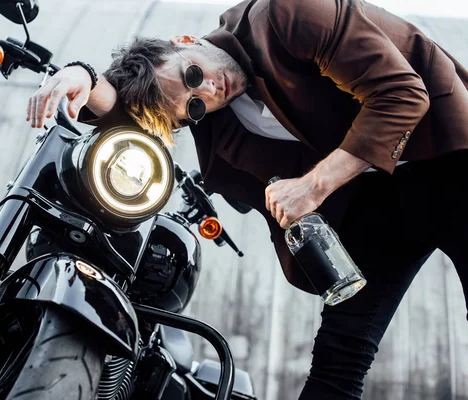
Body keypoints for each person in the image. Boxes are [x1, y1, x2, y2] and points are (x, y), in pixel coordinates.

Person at [26, 0, 468, 398]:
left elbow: (403, 95)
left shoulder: (287, 14)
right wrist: (81, 76)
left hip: (449, 157)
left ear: (183, 42)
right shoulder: (206, 112)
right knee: (340, 355)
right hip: (373, 203)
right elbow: (120, 106)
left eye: (193, 74)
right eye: (193, 107)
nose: (209, 92)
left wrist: (312, 187)